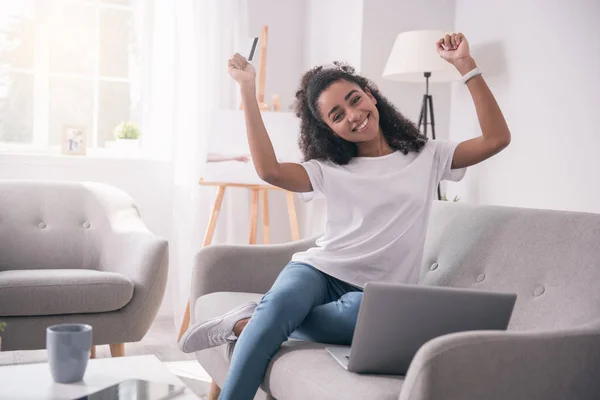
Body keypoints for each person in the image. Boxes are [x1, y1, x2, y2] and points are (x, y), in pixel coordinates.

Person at [179, 32, 510, 399]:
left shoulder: (427, 155)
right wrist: (247, 88)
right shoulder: (328, 169)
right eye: (338, 115)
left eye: (355, 100)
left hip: (374, 295)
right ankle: (265, 319)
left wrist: (466, 66)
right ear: (328, 128)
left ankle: (250, 320)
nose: (354, 116)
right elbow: (270, 170)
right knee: (282, 307)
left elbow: (496, 138)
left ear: (370, 93)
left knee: (336, 318)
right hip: (317, 272)